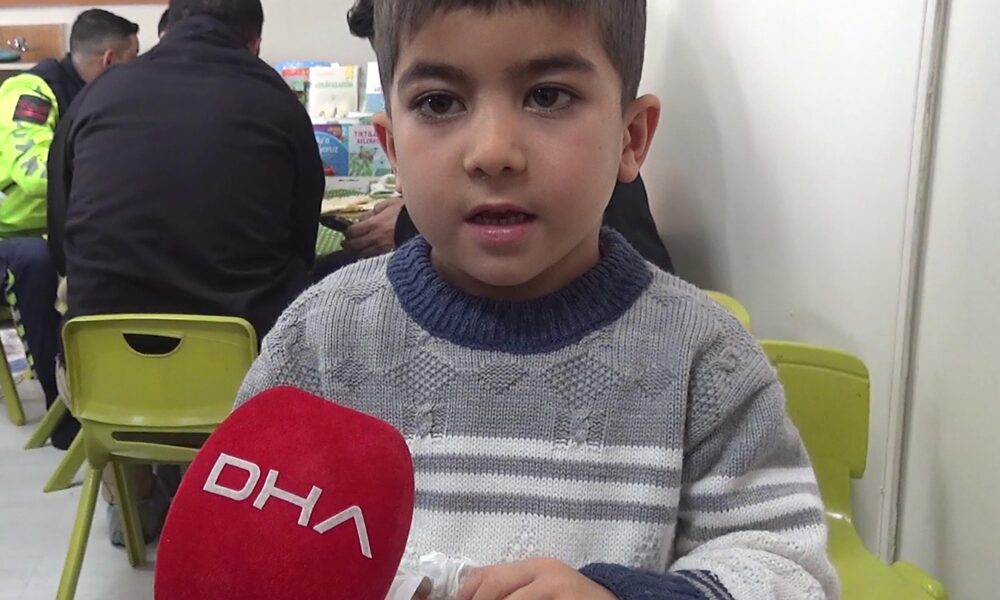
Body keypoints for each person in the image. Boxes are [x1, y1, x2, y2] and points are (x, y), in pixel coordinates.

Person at [237, 1, 838, 599]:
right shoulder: (319, 340)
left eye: (548, 96)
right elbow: (241, 542)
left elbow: (787, 571)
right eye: (439, 103)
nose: (492, 151)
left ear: (630, 139)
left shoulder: (705, 360)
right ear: (392, 148)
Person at [47, 0, 323, 545]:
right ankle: (228, 496)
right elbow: (301, 248)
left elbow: (62, 246)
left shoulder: (96, 95)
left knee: (90, 313)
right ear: (254, 44)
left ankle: (134, 503)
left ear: (164, 31)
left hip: (102, 381)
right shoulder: (276, 100)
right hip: (239, 378)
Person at [0, 9, 139, 450]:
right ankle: (62, 410)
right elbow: (31, 173)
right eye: (134, 60)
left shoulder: (103, 100)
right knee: (35, 260)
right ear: (110, 60)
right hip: (12, 236)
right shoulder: (33, 91)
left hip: (62, 230)